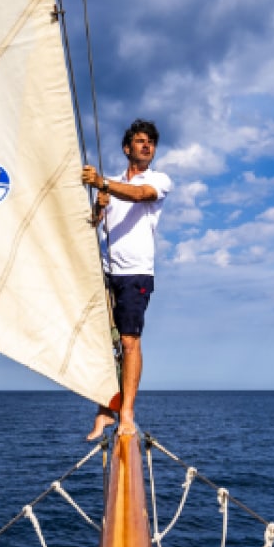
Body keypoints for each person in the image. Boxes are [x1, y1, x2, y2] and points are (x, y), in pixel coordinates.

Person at [82, 119, 171, 440]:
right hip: (106, 272)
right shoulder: (114, 183)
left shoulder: (158, 180)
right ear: (127, 148)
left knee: (130, 342)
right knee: (104, 341)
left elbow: (140, 195)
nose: (147, 146)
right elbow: (94, 223)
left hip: (136, 273)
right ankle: (105, 411)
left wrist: (102, 184)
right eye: (140, 141)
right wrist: (98, 207)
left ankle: (127, 413)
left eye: (151, 142)